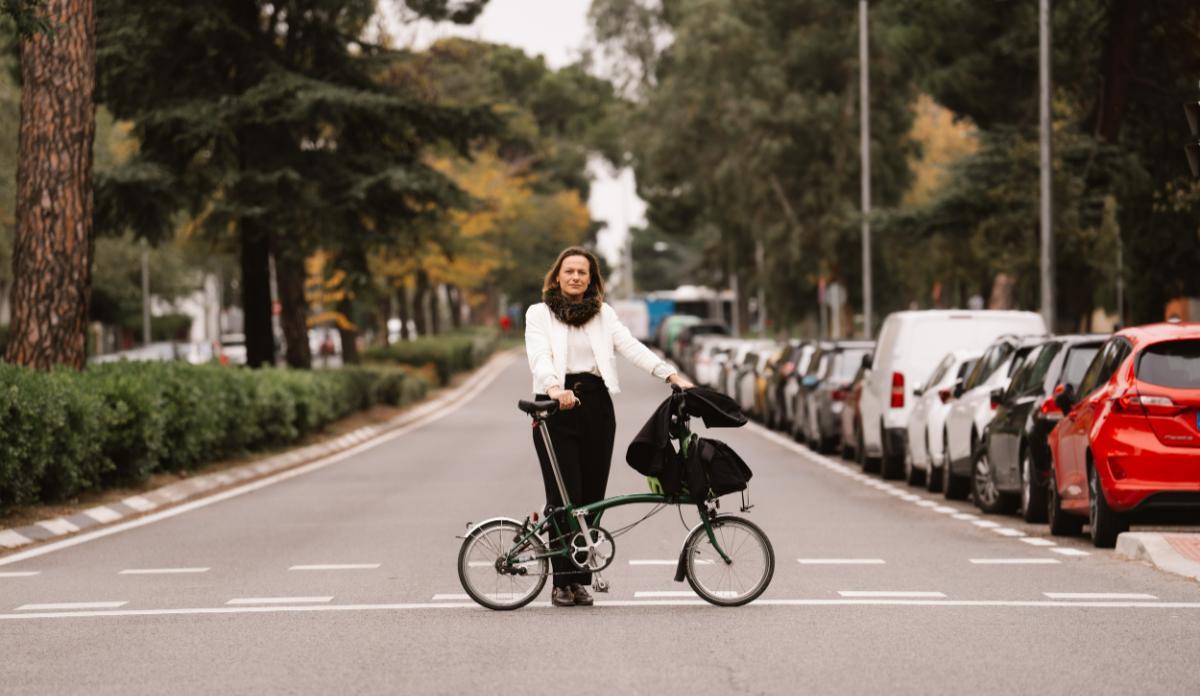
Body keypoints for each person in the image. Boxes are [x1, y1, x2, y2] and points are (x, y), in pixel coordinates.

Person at [525, 246, 693, 608]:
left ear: (591, 279)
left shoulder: (603, 315)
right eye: (568, 271)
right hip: (556, 407)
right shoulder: (539, 314)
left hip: (597, 408)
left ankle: (580, 580)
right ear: (556, 276)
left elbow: (631, 347)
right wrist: (555, 388)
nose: (575, 277)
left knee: (591, 498)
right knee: (563, 499)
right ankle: (561, 582)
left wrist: (671, 374)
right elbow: (539, 355)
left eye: (582, 272)